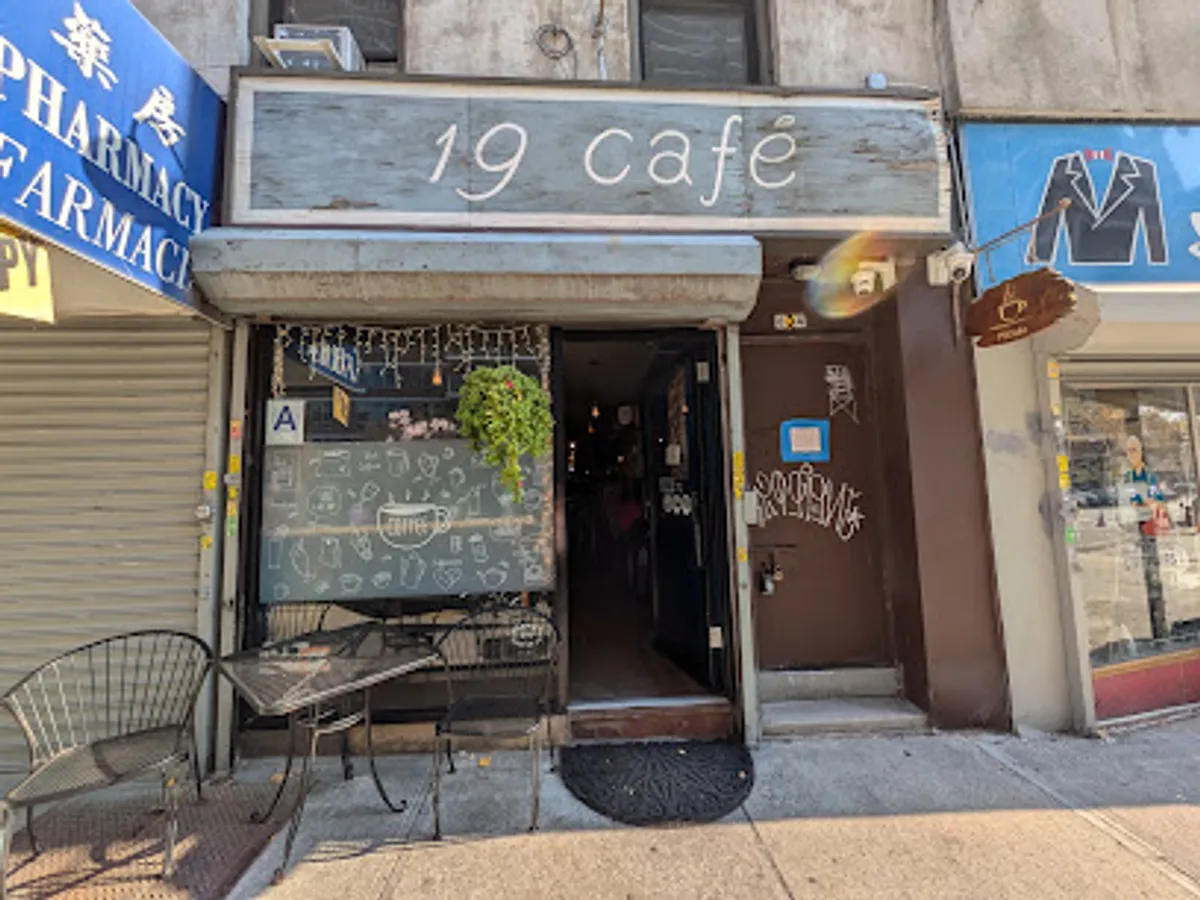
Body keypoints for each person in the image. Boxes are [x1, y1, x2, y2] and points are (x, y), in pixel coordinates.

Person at [1121, 434, 1168, 640]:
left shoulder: (1148, 475)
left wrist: (1148, 502)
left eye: (1134, 450)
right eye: (1128, 451)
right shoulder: (1128, 477)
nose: (1130, 455)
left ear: (1141, 453)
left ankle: (1159, 618)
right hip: (1135, 524)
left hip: (1149, 524)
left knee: (1152, 564)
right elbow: (1126, 499)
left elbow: (1156, 498)